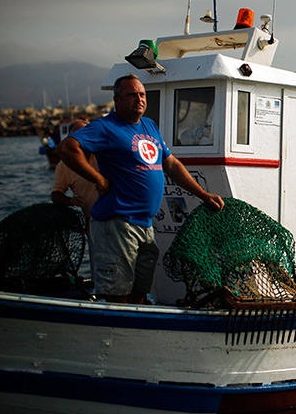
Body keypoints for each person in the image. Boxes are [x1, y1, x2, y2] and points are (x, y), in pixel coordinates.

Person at [57, 74, 224, 304]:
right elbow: (67, 148)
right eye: (132, 94)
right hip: (117, 223)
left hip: (146, 225)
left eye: (142, 94)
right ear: (117, 100)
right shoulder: (105, 127)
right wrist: (99, 178)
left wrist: (203, 194)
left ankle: (133, 335)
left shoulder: (149, 126)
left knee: (140, 292)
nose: (139, 99)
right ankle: (116, 336)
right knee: (118, 294)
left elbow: (172, 164)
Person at [51, 119, 99, 277]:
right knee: (99, 267)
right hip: (94, 223)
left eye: (87, 133)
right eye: (78, 135)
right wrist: (70, 201)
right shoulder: (64, 165)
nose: (83, 138)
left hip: (121, 217)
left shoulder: (104, 154)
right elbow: (56, 194)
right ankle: (103, 299)